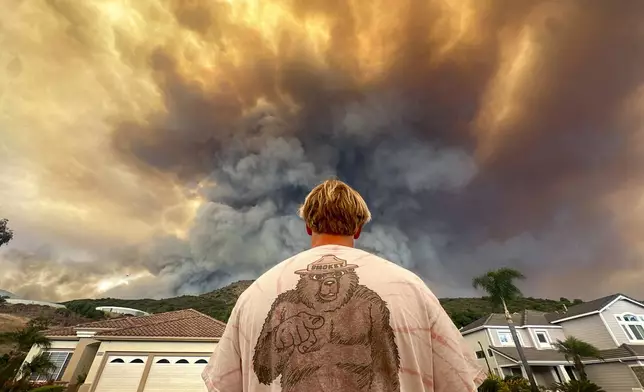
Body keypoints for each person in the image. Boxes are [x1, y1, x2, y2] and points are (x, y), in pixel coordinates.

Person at [202, 178, 484, 392]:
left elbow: (226, 384)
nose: (328, 286)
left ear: (308, 227)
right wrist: (280, 336)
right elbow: (458, 382)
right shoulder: (410, 287)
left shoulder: (256, 294)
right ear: (358, 229)